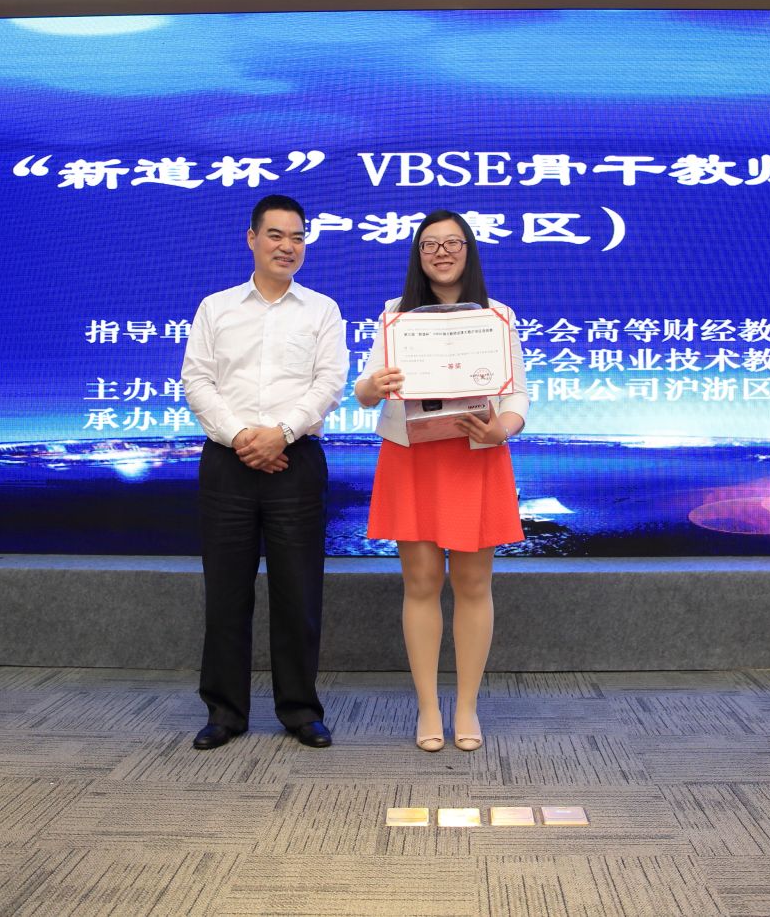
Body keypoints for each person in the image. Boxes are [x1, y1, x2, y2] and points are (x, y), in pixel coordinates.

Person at [354, 210, 529, 753]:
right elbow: (363, 392)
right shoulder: (395, 316)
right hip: (413, 457)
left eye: (453, 242)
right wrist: (375, 385)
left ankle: (467, 707)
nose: (442, 252)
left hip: (476, 455)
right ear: (418, 255)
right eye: (430, 244)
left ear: (469, 250)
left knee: (474, 585)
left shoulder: (498, 316)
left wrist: (501, 428)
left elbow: (517, 395)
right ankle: (428, 706)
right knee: (422, 583)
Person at [181, 194, 348, 750]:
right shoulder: (216, 307)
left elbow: (329, 383)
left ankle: (300, 710)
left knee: (298, 594)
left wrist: (282, 433)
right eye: (276, 235)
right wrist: (241, 437)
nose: (288, 246)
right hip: (227, 463)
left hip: (296, 460)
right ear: (251, 238)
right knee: (226, 594)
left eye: (298, 237)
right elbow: (197, 381)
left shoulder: (321, 310)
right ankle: (224, 712)